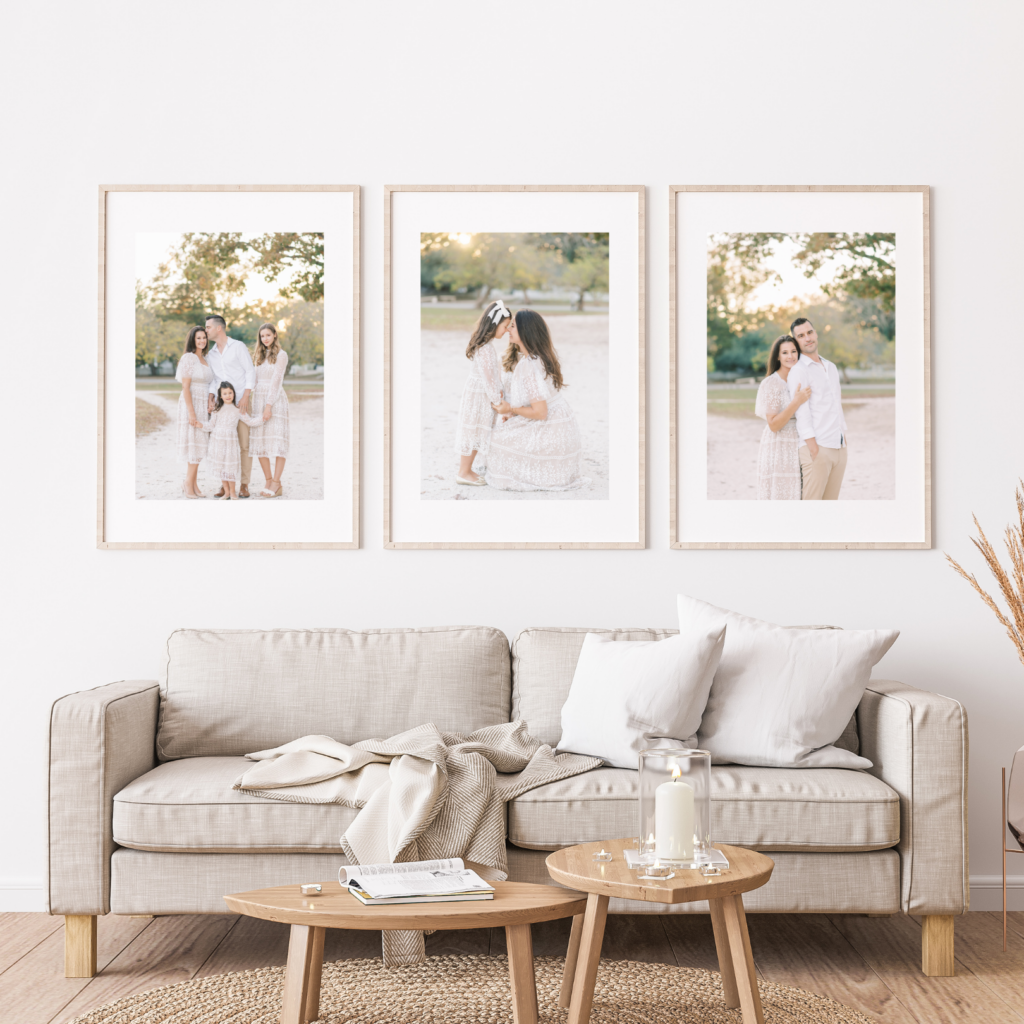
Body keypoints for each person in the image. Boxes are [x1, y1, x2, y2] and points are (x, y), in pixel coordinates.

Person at [486, 310, 587, 491]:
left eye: (513, 326)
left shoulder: (529, 365)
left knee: (494, 439)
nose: (508, 329)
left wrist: (511, 409)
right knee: (504, 430)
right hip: (561, 425)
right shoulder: (540, 357)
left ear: (525, 331)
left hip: (550, 427)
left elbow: (540, 413)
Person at [787, 317, 848, 500]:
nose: (807, 338)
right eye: (801, 335)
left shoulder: (831, 367)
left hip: (839, 446)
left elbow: (837, 404)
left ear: (816, 333)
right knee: (811, 510)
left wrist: (843, 435)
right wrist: (813, 448)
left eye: (809, 332)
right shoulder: (799, 370)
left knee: (830, 506)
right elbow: (802, 412)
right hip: (817, 448)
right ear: (796, 341)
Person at [453, 299, 512, 486]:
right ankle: (463, 472)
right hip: (480, 395)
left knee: (477, 430)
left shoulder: (486, 346)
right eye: (505, 326)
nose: (507, 330)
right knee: (474, 430)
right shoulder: (485, 349)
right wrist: (498, 401)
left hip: (479, 392)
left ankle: (467, 470)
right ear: (494, 324)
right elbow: (489, 380)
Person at [204, 315, 256, 498]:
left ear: (219, 328)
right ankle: (225, 485)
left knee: (243, 445)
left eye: (208, 327)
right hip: (221, 405)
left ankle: (243, 484)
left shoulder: (238, 347)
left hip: (240, 402)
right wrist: (211, 397)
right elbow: (214, 380)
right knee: (222, 445)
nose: (206, 330)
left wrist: (246, 397)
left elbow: (250, 371)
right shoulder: (211, 354)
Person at [754, 335, 811, 500]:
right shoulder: (772, 383)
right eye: (785, 352)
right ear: (778, 356)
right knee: (783, 493)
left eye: (794, 351)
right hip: (780, 444)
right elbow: (773, 425)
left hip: (800, 440)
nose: (790, 356)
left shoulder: (801, 378)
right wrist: (796, 401)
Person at [200, 383, 265, 500]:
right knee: (221, 466)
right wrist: (200, 425)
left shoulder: (238, 410)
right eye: (225, 393)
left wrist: (263, 418)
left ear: (234, 394)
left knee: (230, 467)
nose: (228, 395)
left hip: (230, 443)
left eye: (230, 392)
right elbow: (210, 426)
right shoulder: (216, 410)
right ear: (220, 396)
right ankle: (226, 492)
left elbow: (250, 421)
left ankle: (233, 493)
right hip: (218, 441)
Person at [248, 323, 290, 498]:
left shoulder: (281, 355)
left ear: (274, 335)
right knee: (260, 442)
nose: (265, 338)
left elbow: (276, 381)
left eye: (268, 335)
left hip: (275, 401)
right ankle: (268, 480)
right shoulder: (258, 355)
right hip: (258, 400)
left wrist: (268, 406)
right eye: (262, 336)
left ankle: (276, 482)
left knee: (278, 443)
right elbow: (253, 380)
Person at [175, 326, 213, 498]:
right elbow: (185, 386)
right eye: (198, 338)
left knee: (199, 444)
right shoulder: (189, 358)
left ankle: (194, 484)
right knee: (194, 444)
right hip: (191, 403)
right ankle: (187, 484)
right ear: (192, 340)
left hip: (203, 403)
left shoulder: (205, 359)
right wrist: (191, 412)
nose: (202, 341)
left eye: (204, 337)